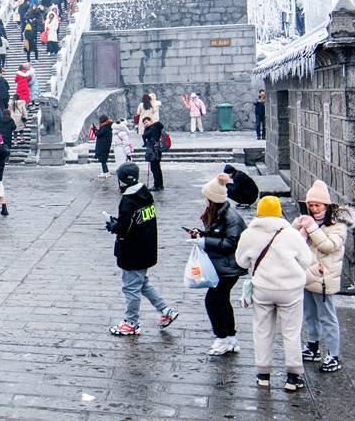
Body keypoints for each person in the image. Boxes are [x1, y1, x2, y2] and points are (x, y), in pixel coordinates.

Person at [236, 196, 315, 392]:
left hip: (263, 289)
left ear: (259, 212)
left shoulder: (248, 234)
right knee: (291, 332)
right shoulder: (290, 233)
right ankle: (293, 376)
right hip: (290, 290)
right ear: (279, 212)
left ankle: (263, 375)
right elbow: (307, 260)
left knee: (262, 330)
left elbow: (241, 262)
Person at [105, 162, 178, 335]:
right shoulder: (145, 194)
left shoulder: (128, 200)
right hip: (146, 247)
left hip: (133, 251)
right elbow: (135, 222)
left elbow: (124, 227)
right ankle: (166, 310)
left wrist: (113, 226)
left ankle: (132, 322)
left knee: (131, 287)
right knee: (141, 283)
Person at [293, 180, 355, 374]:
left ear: (326, 205)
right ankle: (313, 346)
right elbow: (293, 243)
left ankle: (333, 355)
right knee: (310, 314)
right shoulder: (307, 221)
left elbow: (329, 246)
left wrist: (312, 229)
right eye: (310, 205)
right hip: (306, 274)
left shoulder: (338, 224)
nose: (313, 208)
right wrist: (297, 228)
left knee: (328, 317)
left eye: (317, 205)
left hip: (323, 278)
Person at [188, 174, 247, 355]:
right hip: (221, 266)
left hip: (229, 268)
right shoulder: (218, 214)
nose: (204, 201)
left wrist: (205, 242)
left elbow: (230, 243)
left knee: (213, 301)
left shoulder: (231, 218)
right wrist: (202, 235)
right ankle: (229, 337)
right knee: (221, 301)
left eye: (206, 198)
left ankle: (222, 338)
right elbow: (217, 237)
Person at [141, 117, 165, 191]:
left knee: (154, 169)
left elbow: (144, 135)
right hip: (157, 150)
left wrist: (145, 129)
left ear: (151, 121)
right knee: (157, 168)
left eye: (146, 122)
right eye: (144, 123)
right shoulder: (156, 127)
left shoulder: (153, 128)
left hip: (153, 151)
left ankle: (157, 185)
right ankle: (160, 185)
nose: (145, 124)